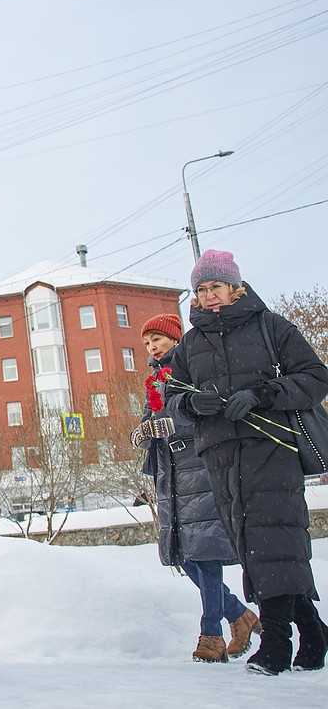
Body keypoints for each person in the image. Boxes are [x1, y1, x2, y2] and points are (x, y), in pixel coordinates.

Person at [166, 250, 328, 675]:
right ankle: (314, 632)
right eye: (201, 289)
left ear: (235, 286)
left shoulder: (270, 326)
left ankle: (276, 643)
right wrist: (192, 403)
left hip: (271, 447)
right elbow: (172, 400)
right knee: (255, 548)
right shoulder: (190, 344)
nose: (209, 296)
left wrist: (262, 395)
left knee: (275, 541)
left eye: (216, 286)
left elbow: (314, 377)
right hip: (219, 455)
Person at [131, 313, 257, 662]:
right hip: (169, 474)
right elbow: (148, 421)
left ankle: (211, 633)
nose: (151, 347)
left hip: (198, 468)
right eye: (146, 343)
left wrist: (171, 424)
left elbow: (203, 409)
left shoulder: (191, 367)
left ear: (174, 339)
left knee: (206, 551)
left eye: (157, 339)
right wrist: (142, 434)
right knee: (184, 556)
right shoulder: (154, 381)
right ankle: (239, 615)